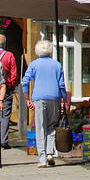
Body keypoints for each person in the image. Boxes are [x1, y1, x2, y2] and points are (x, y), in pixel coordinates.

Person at [21, 40, 67, 168]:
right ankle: (50, 153)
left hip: (39, 98)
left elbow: (25, 82)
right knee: (52, 126)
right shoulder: (57, 65)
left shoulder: (34, 64)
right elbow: (61, 84)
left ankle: (42, 159)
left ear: (37, 51)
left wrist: (26, 99)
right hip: (55, 97)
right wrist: (64, 99)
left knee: (40, 127)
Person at [0, 33, 19, 149]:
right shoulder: (9, 55)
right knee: (5, 115)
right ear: (4, 44)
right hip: (5, 88)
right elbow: (14, 73)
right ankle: (4, 141)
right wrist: (11, 85)